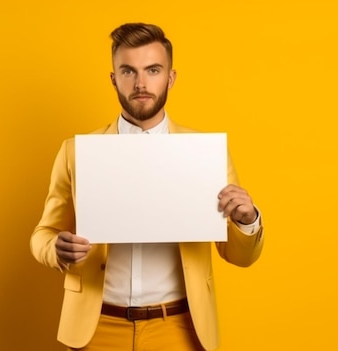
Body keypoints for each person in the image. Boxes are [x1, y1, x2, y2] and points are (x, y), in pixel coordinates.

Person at [30, 23, 264, 351]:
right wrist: (54, 249)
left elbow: (239, 256)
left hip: (179, 327)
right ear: (114, 78)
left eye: (153, 70)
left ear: (170, 77)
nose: (141, 83)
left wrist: (246, 219)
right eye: (128, 71)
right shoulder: (76, 151)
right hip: (95, 327)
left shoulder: (205, 154)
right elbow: (43, 233)